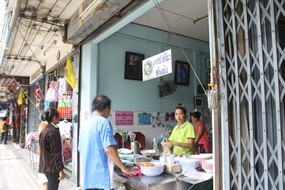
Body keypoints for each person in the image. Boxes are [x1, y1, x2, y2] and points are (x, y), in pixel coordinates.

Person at [79, 95, 135, 190]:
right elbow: (109, 149)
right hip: (100, 178)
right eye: (110, 109)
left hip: (87, 178)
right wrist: (123, 168)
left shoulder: (85, 123)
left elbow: (81, 148)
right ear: (107, 108)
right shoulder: (103, 122)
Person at [39, 108, 65, 190]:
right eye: (58, 116)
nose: (59, 118)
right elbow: (55, 153)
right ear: (54, 117)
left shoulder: (45, 130)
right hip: (52, 167)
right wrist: (60, 169)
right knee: (52, 187)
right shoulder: (53, 131)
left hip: (45, 165)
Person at [37, 121, 48, 190]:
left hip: (43, 161)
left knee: (45, 184)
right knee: (46, 183)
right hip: (45, 162)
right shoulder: (44, 125)